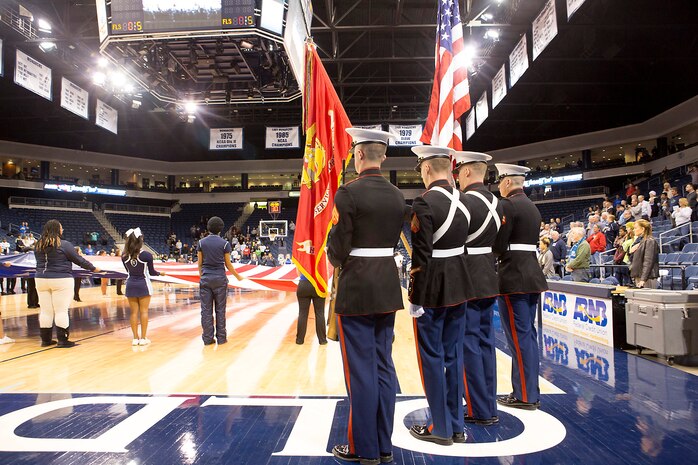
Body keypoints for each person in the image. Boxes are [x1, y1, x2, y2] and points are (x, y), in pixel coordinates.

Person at [328, 128, 405, 465]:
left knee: (359, 371)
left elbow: (338, 250)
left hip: (357, 286)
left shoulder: (348, 193)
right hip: (387, 286)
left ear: (358, 155)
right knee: (383, 366)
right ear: (383, 156)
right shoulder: (398, 195)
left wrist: (336, 255)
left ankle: (365, 449)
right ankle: (384, 445)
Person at [408, 146, 471, 445]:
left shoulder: (423, 203)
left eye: (420, 169)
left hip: (433, 288)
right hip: (461, 284)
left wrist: (414, 298)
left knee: (432, 357)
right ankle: (456, 425)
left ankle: (441, 428)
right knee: (453, 355)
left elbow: (421, 256)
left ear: (428, 169)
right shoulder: (465, 201)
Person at [493, 163, 548, 410]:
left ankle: (525, 395)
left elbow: (499, 243)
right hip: (531, 274)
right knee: (528, 336)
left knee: (518, 338)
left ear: (506, 182)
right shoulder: (531, 206)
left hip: (513, 276)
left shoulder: (507, 205)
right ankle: (527, 391)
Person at [453, 150, 502, 427]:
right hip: (488, 275)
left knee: (468, 342)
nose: (457, 177)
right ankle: (488, 401)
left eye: (459, 172)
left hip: (467, 276)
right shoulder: (499, 203)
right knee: (485, 342)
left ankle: (478, 407)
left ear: (468, 171)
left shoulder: (463, 202)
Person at [34, 219, 99, 348]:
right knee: (61, 311)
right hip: (61, 279)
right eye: (61, 228)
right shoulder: (64, 244)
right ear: (57, 229)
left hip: (40, 279)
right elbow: (78, 260)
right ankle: (63, 341)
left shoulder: (38, 245)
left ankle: (45, 340)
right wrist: (93, 268)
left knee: (46, 311)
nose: (63, 230)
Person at [198, 216, 243, 346]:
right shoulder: (225, 244)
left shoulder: (201, 243)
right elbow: (228, 265)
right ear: (221, 229)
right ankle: (222, 338)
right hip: (220, 279)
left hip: (206, 278)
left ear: (208, 228)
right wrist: (238, 277)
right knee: (220, 310)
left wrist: (202, 276)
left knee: (206, 310)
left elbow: (199, 264)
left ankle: (207, 339)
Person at [122, 227, 164, 346]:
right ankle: (144, 338)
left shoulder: (124, 256)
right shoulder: (146, 255)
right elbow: (151, 272)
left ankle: (135, 338)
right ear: (140, 240)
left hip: (130, 285)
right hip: (143, 285)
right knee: (144, 311)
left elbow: (128, 271)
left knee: (133, 312)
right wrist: (161, 273)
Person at [295, 272, 327, 345]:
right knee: (320, 313)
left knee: (302, 313)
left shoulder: (303, 259)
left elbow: (298, 272)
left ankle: (299, 340)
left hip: (303, 284)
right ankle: (322, 340)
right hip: (318, 283)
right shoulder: (321, 259)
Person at [629, 220, 660, 289]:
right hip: (639, 276)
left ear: (643, 229)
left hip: (647, 278)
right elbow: (633, 260)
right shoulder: (640, 241)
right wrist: (631, 252)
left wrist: (643, 279)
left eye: (636, 228)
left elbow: (648, 262)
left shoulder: (650, 241)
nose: (634, 230)